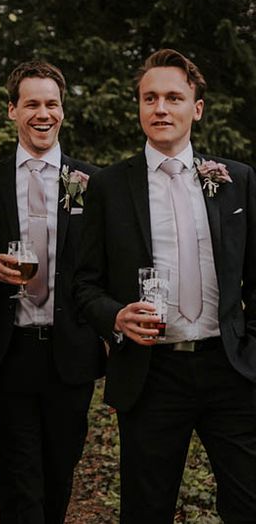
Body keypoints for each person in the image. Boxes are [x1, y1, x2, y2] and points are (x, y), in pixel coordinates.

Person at [73, 49, 256, 523]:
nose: (160, 108)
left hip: (230, 369)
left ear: (196, 108)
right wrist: (114, 316)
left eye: (173, 97)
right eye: (149, 98)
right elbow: (84, 284)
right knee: (146, 509)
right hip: (152, 374)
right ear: (138, 107)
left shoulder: (236, 180)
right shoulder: (109, 187)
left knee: (248, 502)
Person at [0, 61, 104, 524]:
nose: (42, 113)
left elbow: (104, 266)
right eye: (31, 104)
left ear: (62, 111)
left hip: (71, 355)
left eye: (51, 104)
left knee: (58, 478)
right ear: (12, 110)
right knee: (17, 481)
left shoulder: (92, 183)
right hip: (10, 355)